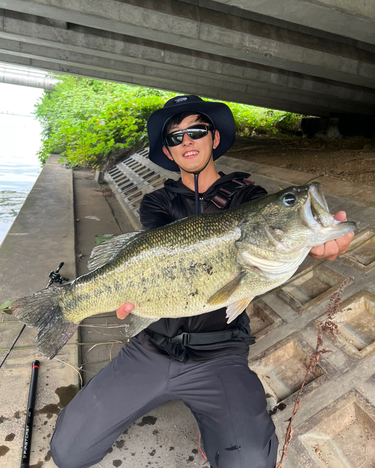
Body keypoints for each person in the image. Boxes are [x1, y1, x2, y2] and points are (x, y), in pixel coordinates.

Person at [50, 96, 354, 468]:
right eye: (176, 137)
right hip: (152, 347)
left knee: (251, 462)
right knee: (68, 452)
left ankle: (214, 431)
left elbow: (273, 235)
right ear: (167, 151)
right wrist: (131, 295)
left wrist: (315, 245)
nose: (187, 141)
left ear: (213, 138)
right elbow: (158, 254)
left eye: (196, 131)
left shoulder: (249, 197)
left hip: (220, 355)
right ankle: (69, 312)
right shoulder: (157, 202)